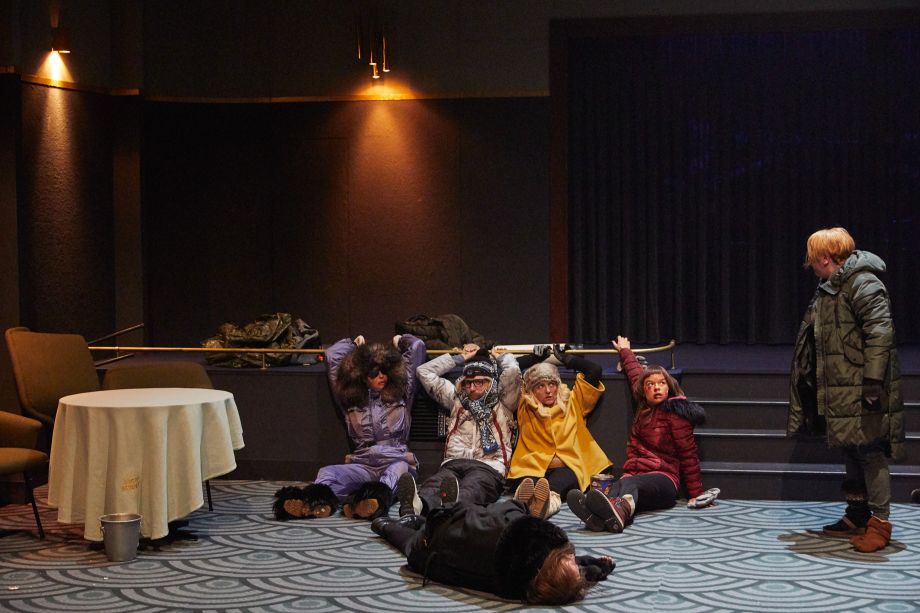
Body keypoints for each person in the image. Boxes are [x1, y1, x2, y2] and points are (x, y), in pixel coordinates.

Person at [789, 227, 904, 553]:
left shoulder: (863, 283)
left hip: (862, 385)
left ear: (825, 258)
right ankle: (857, 515)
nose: (810, 264)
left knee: (869, 450)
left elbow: (880, 333)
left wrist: (872, 382)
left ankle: (879, 524)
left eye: (813, 258)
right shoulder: (830, 286)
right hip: (841, 383)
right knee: (851, 447)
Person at [568, 336, 716, 533]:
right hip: (635, 475)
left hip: (664, 479)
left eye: (661, 383)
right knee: (617, 485)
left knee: (629, 482)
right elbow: (635, 374)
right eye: (650, 385)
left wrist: (696, 493)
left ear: (669, 387)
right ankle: (595, 517)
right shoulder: (643, 406)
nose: (656, 387)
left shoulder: (676, 413)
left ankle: (621, 513)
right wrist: (625, 351)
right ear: (644, 390)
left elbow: (688, 456)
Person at [273, 334, 426, 521]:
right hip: (363, 463)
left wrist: (400, 341)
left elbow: (418, 346)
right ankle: (314, 503)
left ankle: (371, 502)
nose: (381, 376)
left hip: (396, 459)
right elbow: (332, 355)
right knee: (327, 473)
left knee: (396, 472)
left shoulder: (401, 394)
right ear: (363, 377)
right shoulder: (350, 399)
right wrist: (353, 344)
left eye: (384, 371)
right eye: (374, 373)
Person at [370, 499, 614, 605]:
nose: (571, 557)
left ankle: (384, 524)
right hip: (440, 553)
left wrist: (525, 510)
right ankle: (395, 524)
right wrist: (595, 569)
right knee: (414, 539)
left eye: (570, 560)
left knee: (413, 539)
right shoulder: (514, 582)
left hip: (433, 542)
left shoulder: (509, 530)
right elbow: (551, 573)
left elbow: (483, 510)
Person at [395, 344, 520, 518]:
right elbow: (424, 372)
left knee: (473, 487)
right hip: (454, 462)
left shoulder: (504, 400)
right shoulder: (456, 398)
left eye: (479, 382)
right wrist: (461, 358)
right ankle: (416, 506)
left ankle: (451, 509)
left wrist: (502, 357)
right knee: (434, 484)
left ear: (490, 382)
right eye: (467, 383)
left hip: (489, 466)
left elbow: (513, 372)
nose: (472, 388)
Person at [507, 344, 612, 519]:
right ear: (531, 390)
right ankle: (523, 504)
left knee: (559, 483)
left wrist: (567, 359)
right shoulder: (524, 405)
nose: (548, 391)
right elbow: (509, 373)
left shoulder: (573, 401)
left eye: (552, 384)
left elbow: (594, 370)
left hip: (568, 466)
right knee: (528, 483)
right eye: (540, 386)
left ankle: (546, 506)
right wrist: (533, 359)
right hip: (532, 465)